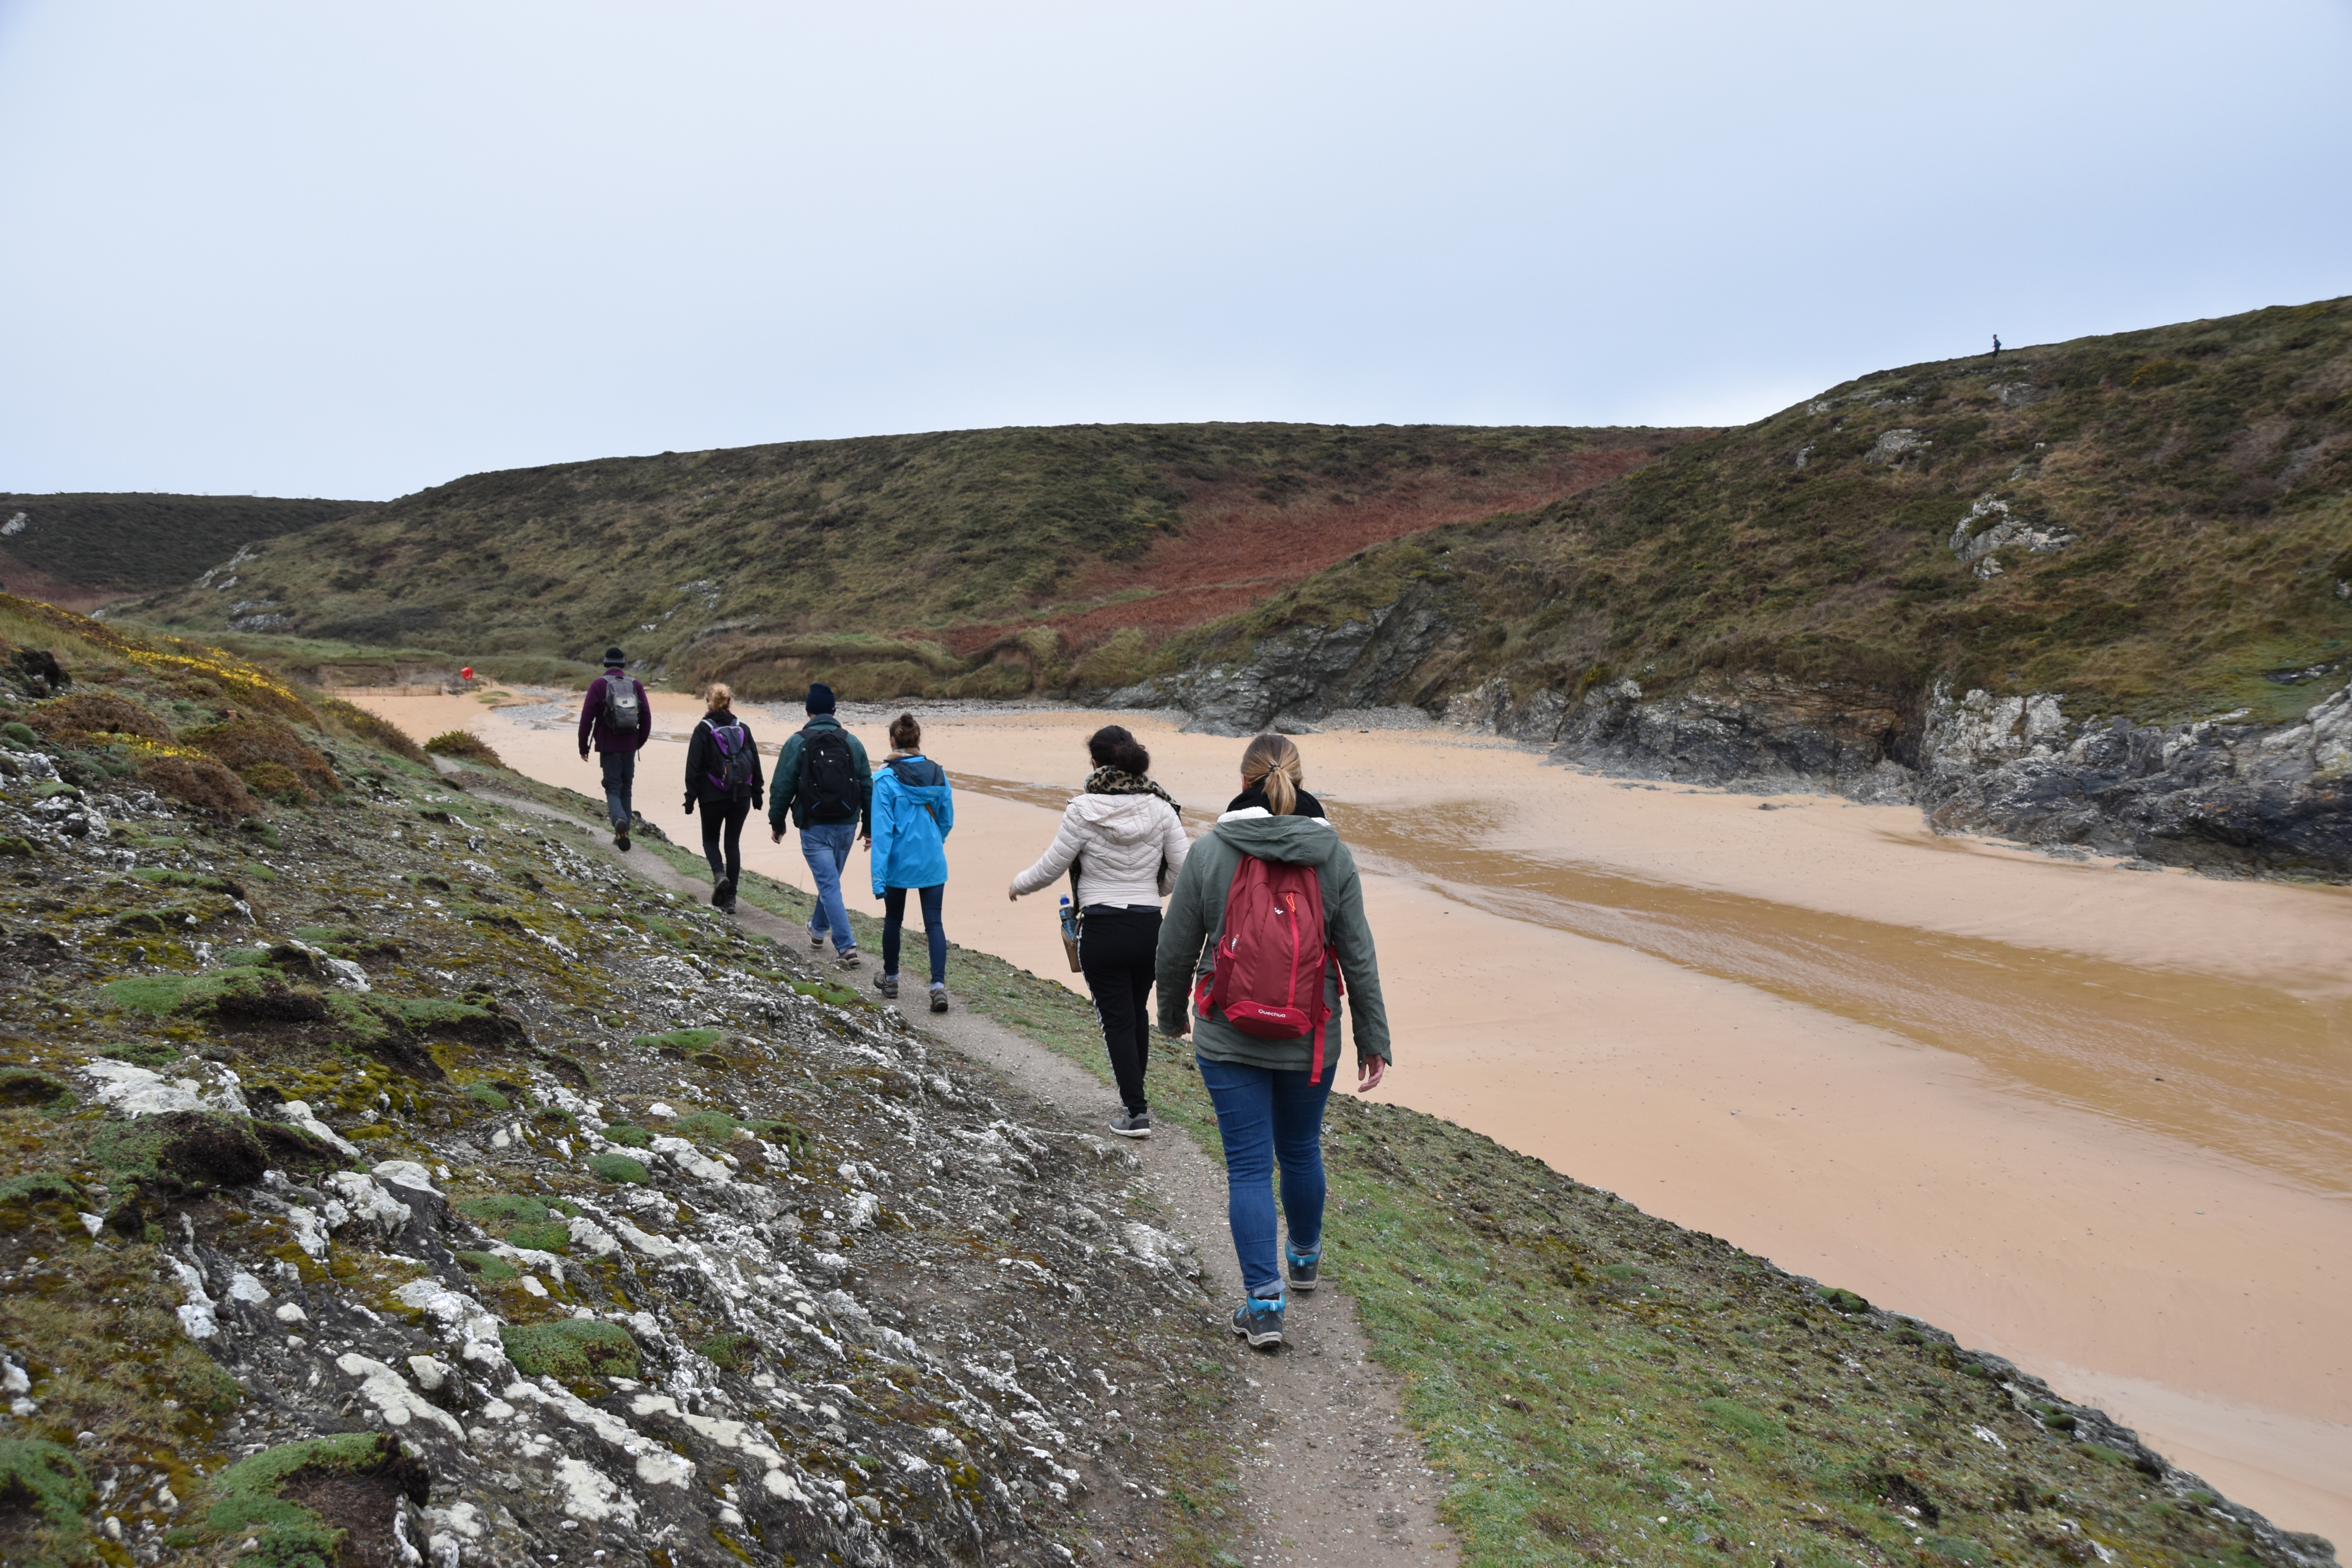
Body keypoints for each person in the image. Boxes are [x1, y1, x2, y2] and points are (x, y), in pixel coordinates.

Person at [1155, 733, 1389, 1350]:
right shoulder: (1332, 853)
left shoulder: (1210, 852)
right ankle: (1305, 1260)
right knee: (1301, 1149)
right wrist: (1373, 1037)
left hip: (1227, 1034)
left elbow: (1175, 946)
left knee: (1250, 1168)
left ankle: (1263, 1305)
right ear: (1299, 780)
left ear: (1243, 783)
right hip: (1313, 1035)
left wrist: (1170, 1014)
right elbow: (1357, 953)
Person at [1008, 724, 1189, 1138]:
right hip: (1148, 928)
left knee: (1116, 1020)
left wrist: (1019, 883)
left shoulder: (1083, 808)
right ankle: (1135, 1100)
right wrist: (1150, 888)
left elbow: (1052, 865)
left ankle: (1136, 1111)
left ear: (1095, 763)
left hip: (1103, 929)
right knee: (1135, 1011)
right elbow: (1182, 870)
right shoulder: (1162, 808)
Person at [767, 683, 872, 969]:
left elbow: (782, 786)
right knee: (831, 884)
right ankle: (816, 930)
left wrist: (777, 822)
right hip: (847, 825)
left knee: (829, 886)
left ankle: (847, 947)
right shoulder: (853, 742)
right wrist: (869, 826)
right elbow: (866, 786)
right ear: (835, 710)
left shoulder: (797, 741)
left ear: (808, 710)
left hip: (814, 827)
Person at [867, 712, 955, 1013]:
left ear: (892, 741)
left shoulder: (884, 779)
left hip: (898, 863)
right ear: (919, 740)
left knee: (894, 920)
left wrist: (877, 878)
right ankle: (938, 987)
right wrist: (932, 843)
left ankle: (891, 980)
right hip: (932, 861)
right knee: (934, 923)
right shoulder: (938, 774)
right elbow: (946, 821)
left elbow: (882, 833)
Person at [682, 682, 764, 914]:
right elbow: (755, 761)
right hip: (742, 796)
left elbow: (694, 767)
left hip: (712, 796)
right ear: (730, 702)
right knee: (732, 845)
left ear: (709, 702)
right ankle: (731, 900)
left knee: (710, 841)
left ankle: (719, 876)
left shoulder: (703, 729)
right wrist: (757, 792)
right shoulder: (743, 728)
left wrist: (691, 798)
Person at [577, 647, 651, 851]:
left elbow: (586, 719)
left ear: (606, 664)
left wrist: (584, 746)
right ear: (624, 665)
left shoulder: (598, 685)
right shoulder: (635, 684)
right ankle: (623, 832)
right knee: (626, 789)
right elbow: (646, 716)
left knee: (612, 788)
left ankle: (620, 823)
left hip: (609, 747)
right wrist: (638, 742)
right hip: (629, 747)